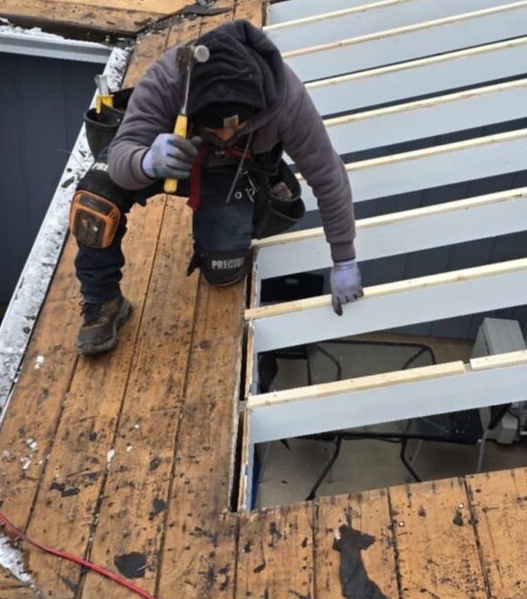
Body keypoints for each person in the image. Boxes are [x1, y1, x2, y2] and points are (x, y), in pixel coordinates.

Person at [69, 20, 363, 355]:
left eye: (236, 125)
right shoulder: (167, 80)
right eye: (213, 126)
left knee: (224, 270)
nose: (224, 134)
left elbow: (328, 175)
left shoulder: (287, 99)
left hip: (232, 167)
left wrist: (344, 260)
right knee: (94, 201)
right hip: (167, 157)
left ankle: (226, 227)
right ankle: (102, 301)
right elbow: (122, 157)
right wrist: (147, 162)